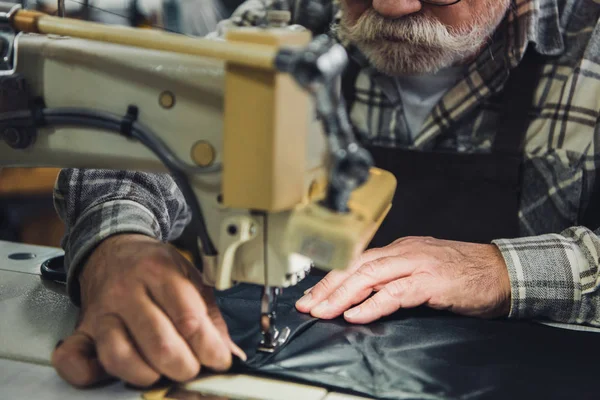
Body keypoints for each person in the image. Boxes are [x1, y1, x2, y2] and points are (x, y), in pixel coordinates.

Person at [51, 0, 600, 389]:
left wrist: (501, 272)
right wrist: (115, 241)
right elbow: (141, 129)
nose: (390, 6)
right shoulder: (292, 20)